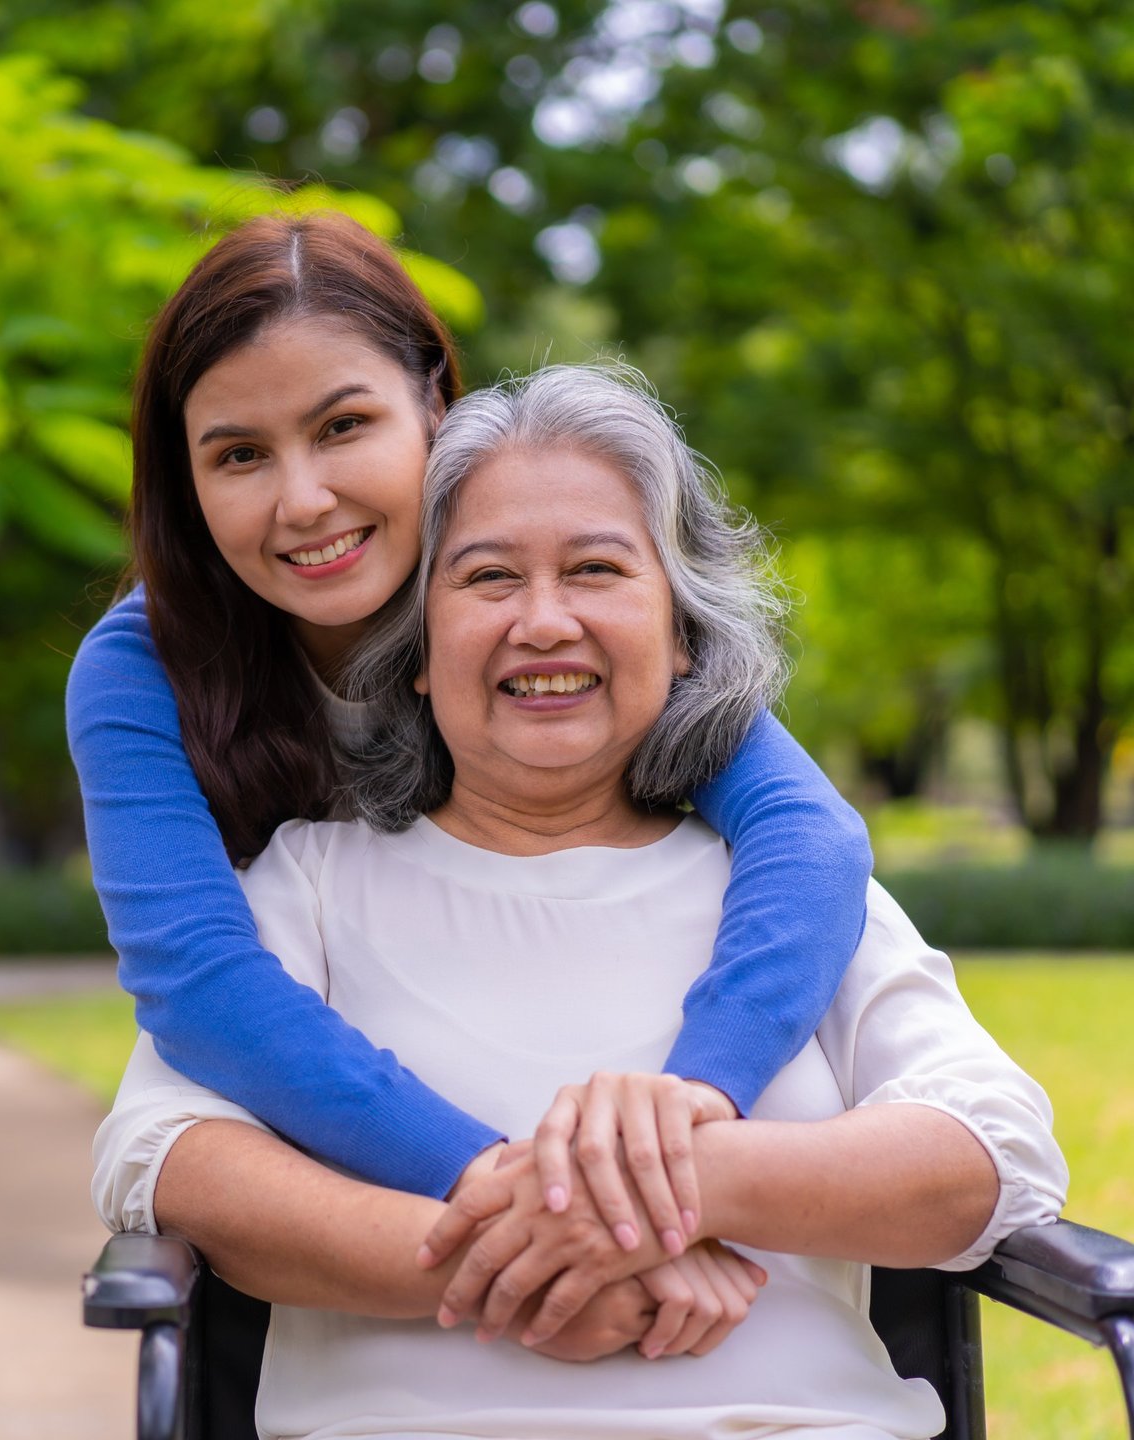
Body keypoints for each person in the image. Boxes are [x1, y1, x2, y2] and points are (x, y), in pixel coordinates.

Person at [92, 364, 1066, 1440]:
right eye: (488, 578)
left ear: (682, 631)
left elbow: (996, 1155)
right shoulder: (310, 884)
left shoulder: (790, 896)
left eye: (597, 569)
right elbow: (169, 1156)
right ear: (416, 653)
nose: (544, 621)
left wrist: (683, 1173)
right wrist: (526, 1267)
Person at [67, 211, 875, 1270]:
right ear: (187, 481)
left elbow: (809, 837)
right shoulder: (142, 668)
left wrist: (681, 1119)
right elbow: (201, 985)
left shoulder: (546, 623)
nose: (303, 500)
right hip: (343, 1175)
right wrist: (504, 1188)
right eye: (240, 455)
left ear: (434, 411)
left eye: (343, 426)